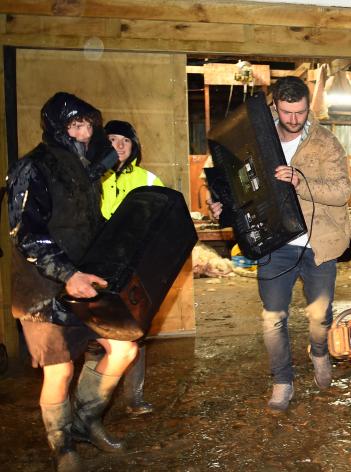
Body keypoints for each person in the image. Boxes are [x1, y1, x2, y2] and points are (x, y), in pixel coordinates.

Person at [7, 92, 138, 471]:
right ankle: (63, 445)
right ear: (57, 128)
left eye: (88, 125)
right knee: (60, 368)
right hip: (44, 286)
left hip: (83, 279)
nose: (84, 133)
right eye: (75, 125)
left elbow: (88, 211)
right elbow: (26, 233)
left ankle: (86, 419)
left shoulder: (82, 168)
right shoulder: (31, 167)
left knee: (123, 347)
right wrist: (67, 274)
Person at [209, 76, 351, 412]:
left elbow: (342, 192)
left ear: (308, 108)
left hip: (318, 242)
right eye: (287, 112)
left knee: (319, 316)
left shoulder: (326, 142)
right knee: (273, 317)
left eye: (300, 112)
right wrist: (223, 205)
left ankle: (319, 352)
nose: (293, 119)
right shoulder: (255, 139)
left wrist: (302, 181)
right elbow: (239, 182)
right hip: (275, 242)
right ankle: (282, 381)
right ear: (275, 107)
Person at [85, 120, 164, 416]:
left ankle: (134, 397)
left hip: (133, 268)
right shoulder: (90, 178)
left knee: (134, 332)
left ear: (134, 147)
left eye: (125, 141)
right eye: (112, 140)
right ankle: (92, 405)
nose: (118, 146)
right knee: (94, 336)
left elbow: (161, 221)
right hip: (95, 268)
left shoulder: (148, 179)